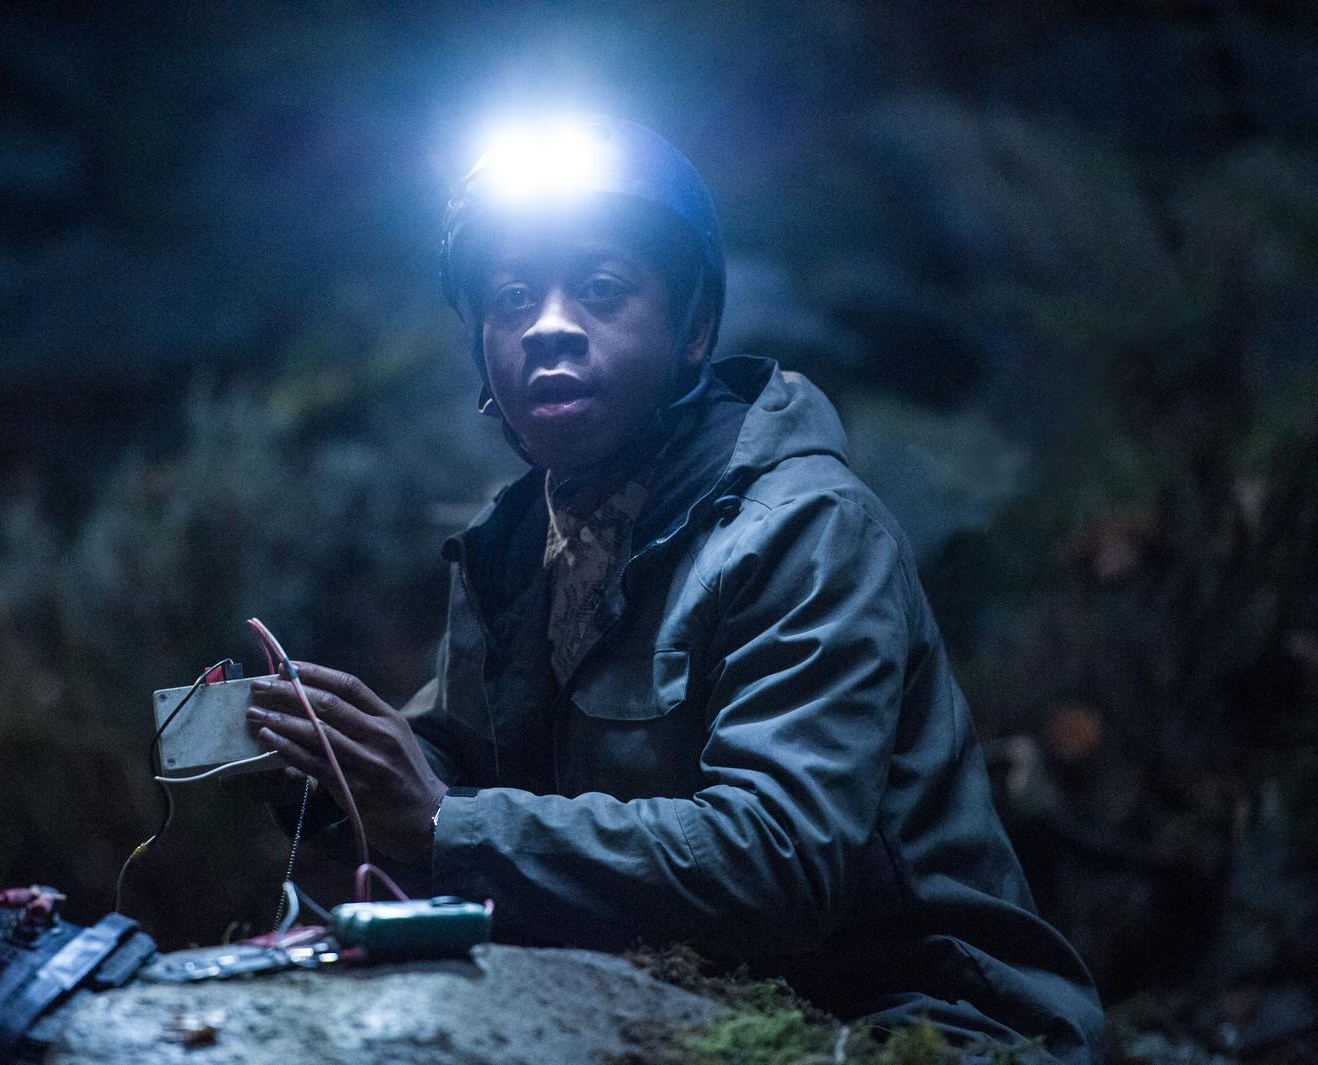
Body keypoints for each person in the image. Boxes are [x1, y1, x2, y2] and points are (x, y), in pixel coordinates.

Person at [245, 115, 1103, 1059]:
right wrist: (331, 771)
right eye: (513, 297)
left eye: (603, 289)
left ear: (694, 330)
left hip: (918, 1020)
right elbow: (462, 753)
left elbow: (781, 858)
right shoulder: (518, 543)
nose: (550, 324)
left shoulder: (803, 530)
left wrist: (448, 823)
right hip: (681, 996)